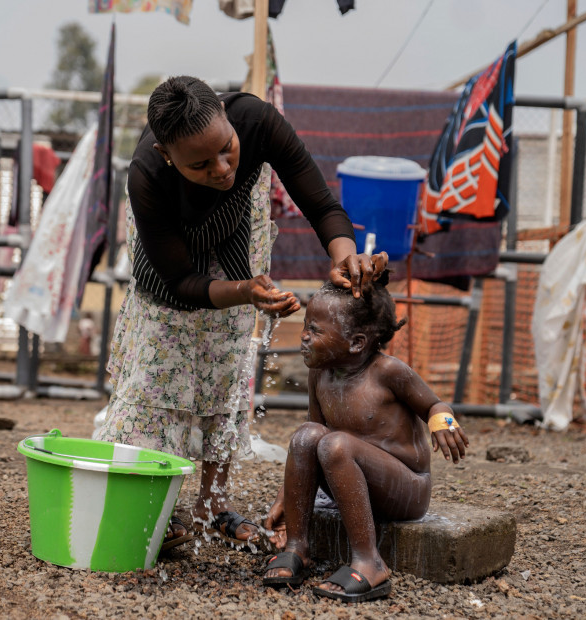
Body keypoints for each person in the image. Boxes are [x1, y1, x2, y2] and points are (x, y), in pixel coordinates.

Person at [94, 75, 386, 551]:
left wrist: (344, 256)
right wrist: (246, 290)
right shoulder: (147, 175)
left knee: (228, 360)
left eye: (227, 148)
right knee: (157, 369)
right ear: (169, 156)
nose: (223, 167)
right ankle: (150, 508)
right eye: (201, 163)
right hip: (171, 269)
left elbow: (320, 203)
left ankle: (213, 508)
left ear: (229, 120)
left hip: (236, 235)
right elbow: (181, 283)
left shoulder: (257, 120)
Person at [261, 276, 468, 603]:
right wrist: (287, 498)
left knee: (335, 443)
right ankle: (297, 548)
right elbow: (312, 442)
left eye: (315, 330)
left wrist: (443, 422)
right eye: (305, 326)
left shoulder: (389, 372)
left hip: (404, 489)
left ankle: (370, 562)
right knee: (306, 436)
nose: (303, 336)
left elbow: (433, 404)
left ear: (356, 342)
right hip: (348, 476)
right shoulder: (321, 373)